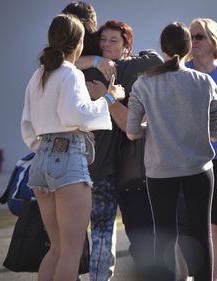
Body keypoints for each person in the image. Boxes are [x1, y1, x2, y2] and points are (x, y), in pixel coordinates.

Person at [21, 14, 124, 281]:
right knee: (71, 250)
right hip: (67, 159)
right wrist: (110, 97)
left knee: (56, 248)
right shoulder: (71, 73)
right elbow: (75, 114)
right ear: (78, 43)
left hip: (41, 159)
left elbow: (28, 123)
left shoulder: (39, 74)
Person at [126, 22, 217, 281]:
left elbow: (132, 131)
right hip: (200, 169)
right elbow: (215, 133)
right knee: (202, 233)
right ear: (189, 47)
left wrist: (153, 125)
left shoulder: (143, 84)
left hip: (160, 169)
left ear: (162, 47)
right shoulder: (206, 82)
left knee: (164, 235)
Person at [81, 19, 164, 280]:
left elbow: (155, 59)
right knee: (104, 232)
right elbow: (155, 60)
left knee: (126, 234)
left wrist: (98, 66)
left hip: (129, 170)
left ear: (127, 46)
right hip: (103, 167)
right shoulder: (99, 69)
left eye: (113, 41)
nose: (106, 45)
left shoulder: (121, 68)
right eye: (103, 40)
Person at [184, 18, 217, 281]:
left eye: (199, 36)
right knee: (190, 226)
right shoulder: (182, 71)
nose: (193, 42)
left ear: (214, 41)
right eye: (190, 37)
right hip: (189, 159)